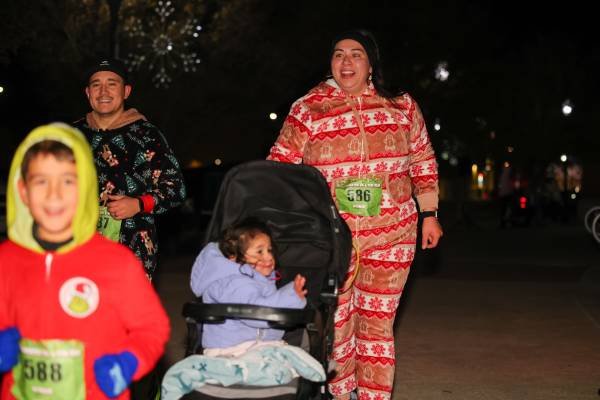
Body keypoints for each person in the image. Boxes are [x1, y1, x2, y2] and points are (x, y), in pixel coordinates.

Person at [267, 29, 443, 400]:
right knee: (338, 328)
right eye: (338, 54)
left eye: (356, 54)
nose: (346, 62)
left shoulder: (402, 105)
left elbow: (422, 159)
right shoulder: (308, 107)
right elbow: (280, 167)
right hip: (333, 240)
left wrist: (429, 212)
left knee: (377, 328)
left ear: (371, 63)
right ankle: (342, 394)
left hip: (393, 234)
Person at [0, 123, 170, 399]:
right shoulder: (6, 260)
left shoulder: (116, 262)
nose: (54, 194)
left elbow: (152, 327)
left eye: (68, 181)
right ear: (22, 191)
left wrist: (128, 362)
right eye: (41, 181)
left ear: (85, 188)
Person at [73, 58, 186, 280]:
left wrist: (139, 204)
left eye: (112, 84)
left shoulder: (147, 135)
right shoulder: (72, 136)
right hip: (78, 249)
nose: (103, 91)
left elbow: (176, 189)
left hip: (133, 251)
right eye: (96, 84)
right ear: (88, 92)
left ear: (126, 91)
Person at [190, 218, 307, 351]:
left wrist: (294, 298)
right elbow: (258, 314)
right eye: (259, 252)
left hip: (252, 346)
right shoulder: (235, 283)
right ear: (233, 256)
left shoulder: (259, 281)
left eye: (269, 250)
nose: (269, 257)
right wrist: (291, 295)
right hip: (233, 350)